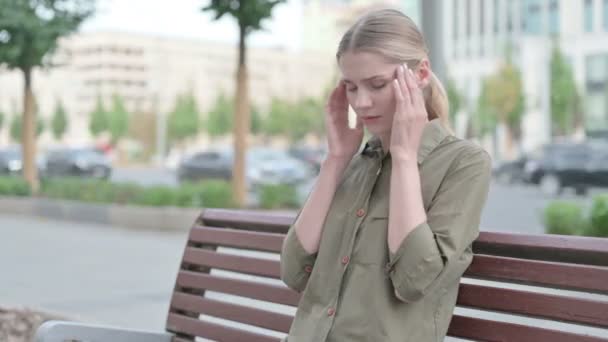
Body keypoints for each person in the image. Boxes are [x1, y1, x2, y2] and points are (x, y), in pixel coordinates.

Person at [279, 8, 492, 342]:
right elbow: (293, 271)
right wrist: (335, 160)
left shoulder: (464, 164)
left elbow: (414, 280)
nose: (361, 103)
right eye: (350, 87)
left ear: (420, 74)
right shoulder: (353, 163)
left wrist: (405, 158)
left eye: (377, 84)